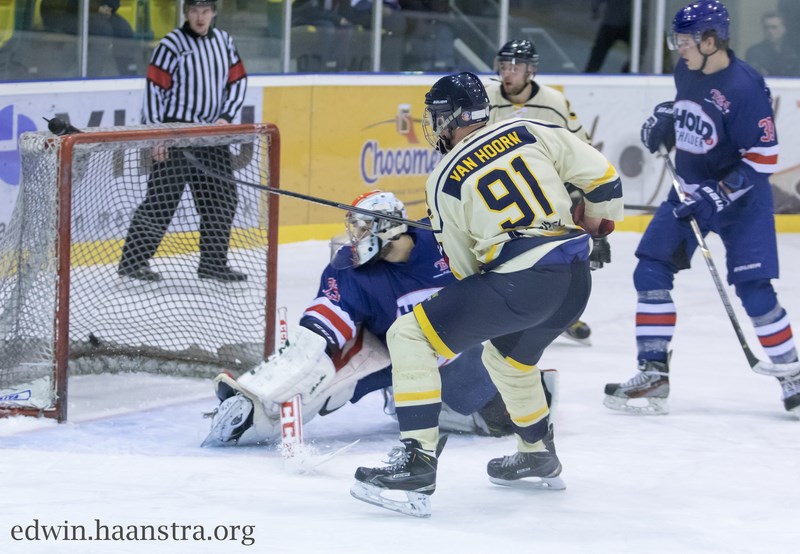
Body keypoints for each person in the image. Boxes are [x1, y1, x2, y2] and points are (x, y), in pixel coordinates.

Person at [350, 72, 623, 517]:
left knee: (409, 335)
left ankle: (417, 461)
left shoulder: (443, 180)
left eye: (438, 118)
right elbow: (605, 178)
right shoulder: (530, 130)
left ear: (455, 119)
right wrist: (597, 227)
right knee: (506, 359)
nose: (434, 127)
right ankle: (536, 453)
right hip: (575, 281)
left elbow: (465, 270)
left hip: (522, 283)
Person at [203, 190, 560, 446]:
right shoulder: (351, 266)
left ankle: (528, 390)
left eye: (361, 228)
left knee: (496, 420)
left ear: (388, 228)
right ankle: (254, 415)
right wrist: (305, 348)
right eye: (353, 227)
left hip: (453, 350)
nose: (354, 236)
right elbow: (329, 314)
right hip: (382, 349)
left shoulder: (445, 242)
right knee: (323, 374)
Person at [605, 0, 800, 417]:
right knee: (651, 268)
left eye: (686, 40)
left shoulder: (745, 88)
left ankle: (792, 374)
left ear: (711, 41)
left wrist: (720, 193)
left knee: (754, 290)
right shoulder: (687, 70)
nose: (679, 47)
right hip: (689, 190)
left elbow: (764, 157)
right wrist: (666, 119)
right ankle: (654, 372)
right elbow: (689, 111)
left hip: (742, 201)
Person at [485, 38, 606, 345]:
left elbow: (582, 151)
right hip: (500, 194)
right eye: (503, 66)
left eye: (515, 67)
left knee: (559, 255)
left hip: (547, 195)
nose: (507, 74)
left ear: (531, 71)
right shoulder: (487, 99)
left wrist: (594, 215)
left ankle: (562, 313)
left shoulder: (553, 102)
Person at [117, 0, 248, 282]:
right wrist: (158, 135)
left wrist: (226, 116)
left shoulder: (224, 41)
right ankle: (132, 262)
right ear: (186, 13)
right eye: (194, 11)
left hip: (211, 138)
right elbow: (154, 90)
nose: (200, 17)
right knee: (161, 201)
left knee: (223, 200)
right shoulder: (171, 44)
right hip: (175, 136)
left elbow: (238, 80)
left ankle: (213, 264)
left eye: (205, 11)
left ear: (213, 12)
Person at [39, 0, 138, 76]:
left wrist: (108, 6)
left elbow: (114, 2)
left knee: (124, 30)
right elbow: (68, 3)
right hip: (62, 12)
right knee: (102, 30)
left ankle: (130, 78)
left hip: (95, 11)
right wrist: (96, 8)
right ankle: (91, 78)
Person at [745, 12, 800, 77]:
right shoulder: (754, 52)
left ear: (784, 29)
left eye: (774, 27)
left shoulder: (795, 51)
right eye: (766, 28)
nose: (770, 31)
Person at [584, 0, 632, 73]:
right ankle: (589, 74)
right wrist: (595, 9)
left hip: (623, 25)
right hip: (611, 25)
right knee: (597, 54)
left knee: (640, 52)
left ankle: (627, 72)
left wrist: (595, 9)